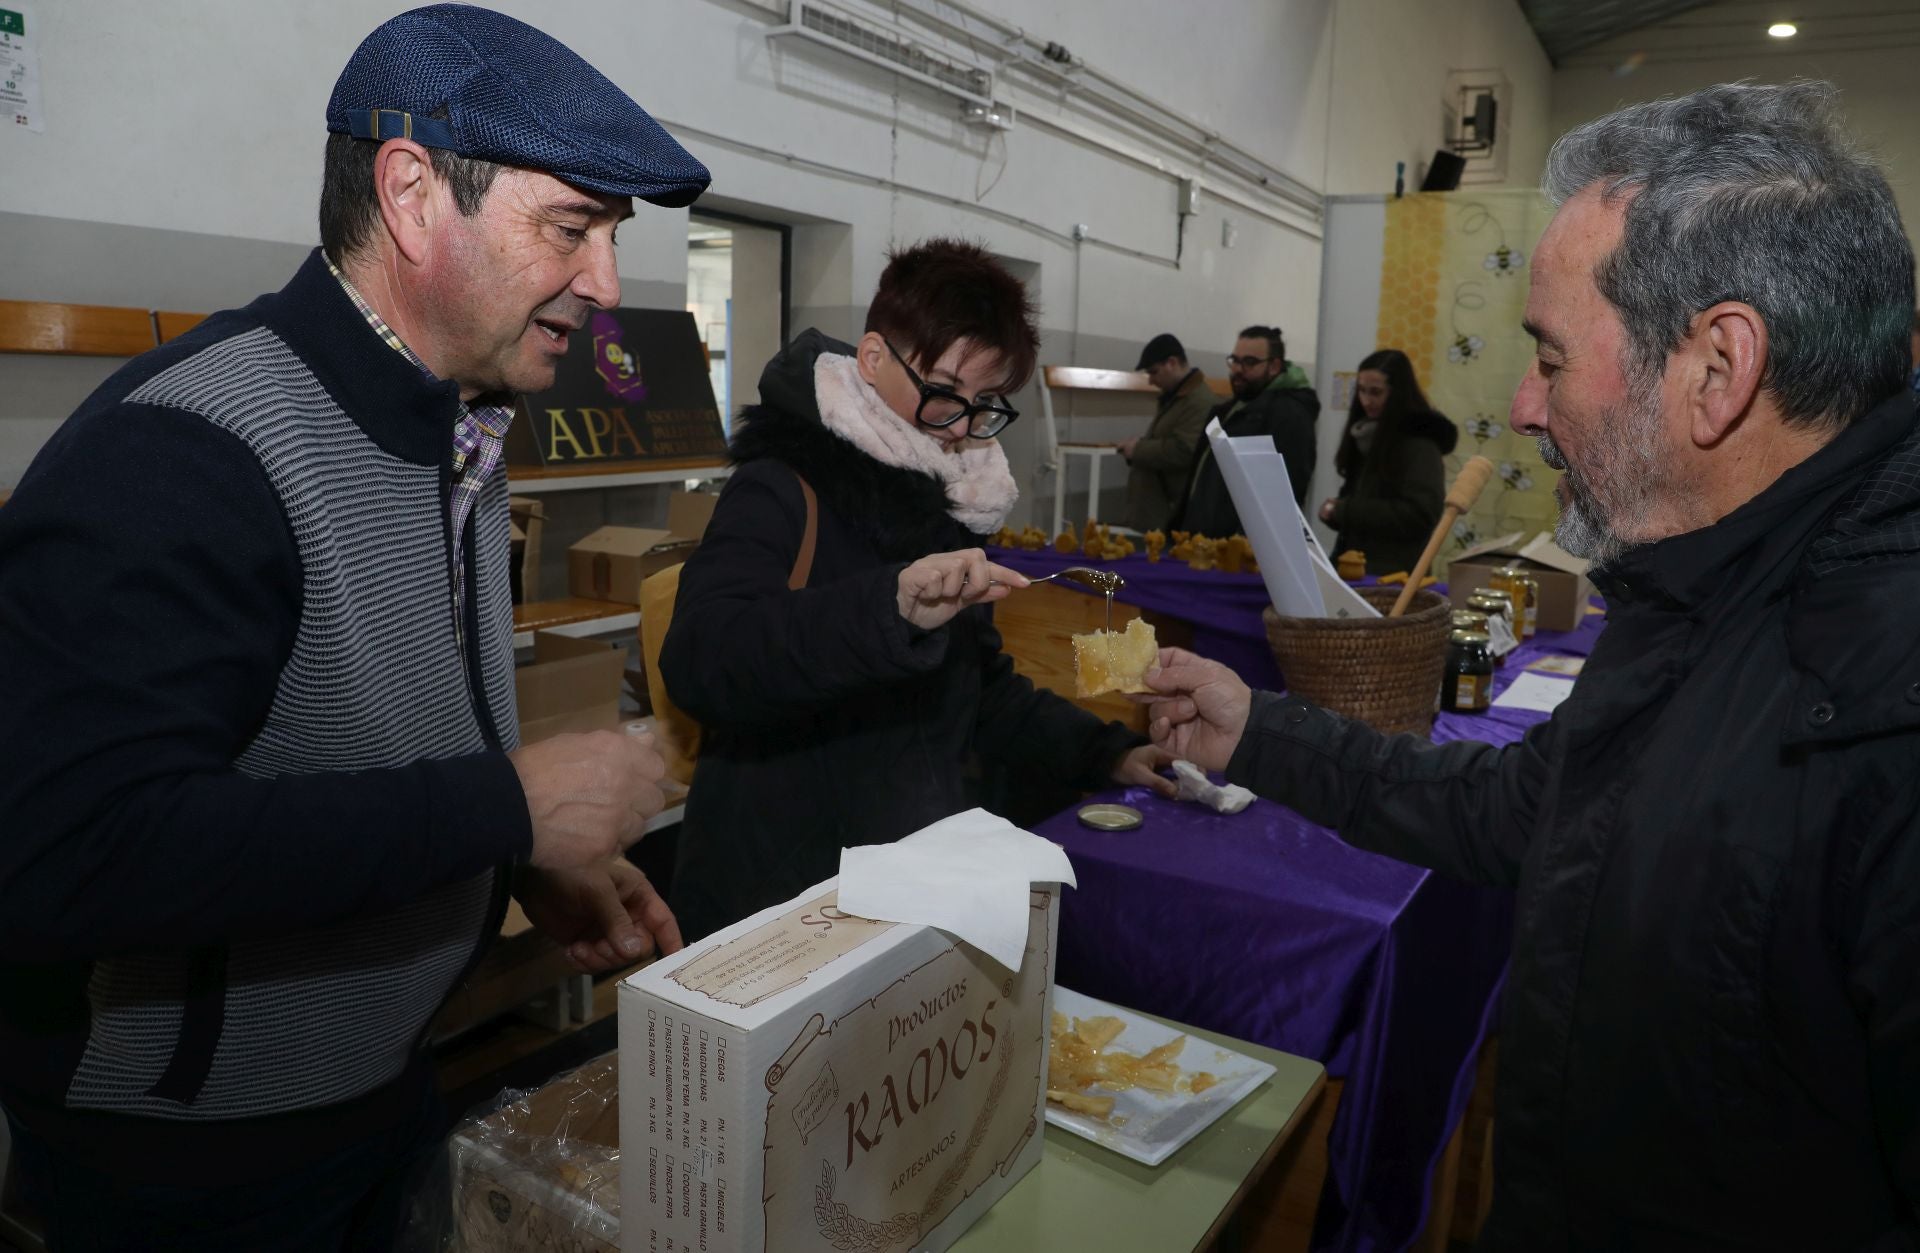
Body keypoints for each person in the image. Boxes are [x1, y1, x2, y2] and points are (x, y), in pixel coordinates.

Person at [1141, 82, 1918, 1248]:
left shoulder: (1886, 705)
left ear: (1718, 366)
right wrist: (1258, 728)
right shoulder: (1699, 584)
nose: (1520, 406)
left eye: (1550, 357)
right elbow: (1523, 808)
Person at [0, 7, 707, 1248]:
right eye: (572, 227)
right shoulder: (189, 450)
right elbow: (64, 851)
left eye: (613, 237)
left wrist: (518, 860)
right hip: (189, 1171)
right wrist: (505, 809)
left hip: (378, 1097)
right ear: (412, 194)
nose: (605, 285)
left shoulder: (460, 424)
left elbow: (348, 740)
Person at [660, 239, 1175, 943]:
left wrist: (1105, 752)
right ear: (873, 358)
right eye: (942, 391)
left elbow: (976, 690)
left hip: (908, 881)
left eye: (984, 403)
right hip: (780, 896)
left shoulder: (944, 500)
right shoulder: (781, 486)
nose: (960, 426)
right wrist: (889, 608)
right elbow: (703, 658)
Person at [1318, 349, 1458, 574]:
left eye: (1376, 392)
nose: (1366, 400)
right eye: (1361, 391)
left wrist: (1344, 510)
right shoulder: (1367, 436)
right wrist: (1335, 513)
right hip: (1359, 568)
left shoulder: (1419, 443)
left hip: (1395, 575)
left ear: (1397, 393)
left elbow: (1421, 514)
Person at [1173, 324, 1320, 536]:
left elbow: (1284, 494)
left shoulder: (1290, 415)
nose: (1238, 370)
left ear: (1274, 366)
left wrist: (1242, 545)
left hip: (1237, 547)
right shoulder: (1229, 409)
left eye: (1249, 362)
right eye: (1235, 360)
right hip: (1201, 540)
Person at [1117, 333, 1214, 531]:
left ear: (1172, 363)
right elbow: (1168, 439)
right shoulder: (1176, 396)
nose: (1151, 381)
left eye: (1154, 372)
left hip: (1172, 512)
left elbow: (1184, 450)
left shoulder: (1199, 401)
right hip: (1158, 508)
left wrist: (1137, 449)